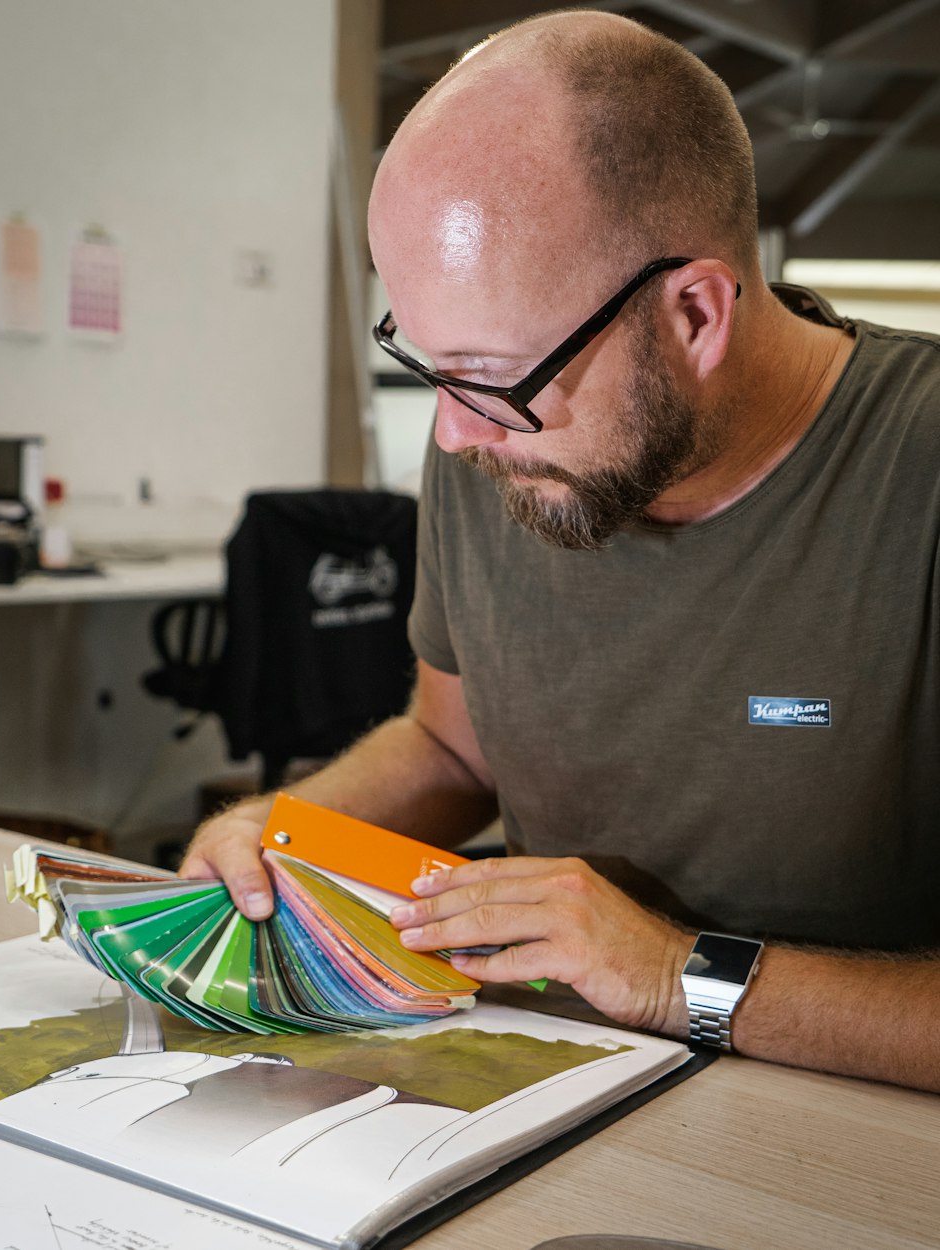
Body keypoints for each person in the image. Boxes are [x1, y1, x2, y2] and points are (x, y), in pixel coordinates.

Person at [182, 10, 940, 1091]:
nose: (453, 435)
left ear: (693, 314)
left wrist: (677, 974)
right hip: (552, 1090)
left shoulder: (914, 476)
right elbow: (456, 750)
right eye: (427, 364)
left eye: (492, 377)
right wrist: (287, 830)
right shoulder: (492, 445)